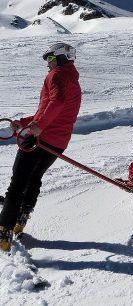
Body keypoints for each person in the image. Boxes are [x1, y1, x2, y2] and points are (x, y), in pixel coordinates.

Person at [0, 43, 82, 252]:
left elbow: (57, 103)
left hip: (41, 138)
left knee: (18, 182)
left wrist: (38, 127)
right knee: (34, 177)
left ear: (61, 57)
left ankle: (3, 230)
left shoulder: (57, 76)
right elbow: (50, 108)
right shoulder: (71, 79)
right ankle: (22, 216)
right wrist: (25, 122)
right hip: (58, 142)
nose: (47, 64)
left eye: (50, 59)